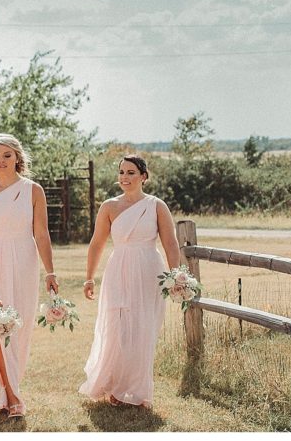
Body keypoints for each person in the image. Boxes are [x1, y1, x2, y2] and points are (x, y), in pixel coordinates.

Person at [79, 155, 181, 408]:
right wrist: (89, 278)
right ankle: (116, 385)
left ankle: (136, 390)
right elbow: (97, 243)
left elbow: (170, 243)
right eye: (122, 172)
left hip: (149, 270)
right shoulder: (109, 207)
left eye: (131, 172)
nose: (124, 177)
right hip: (119, 269)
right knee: (118, 327)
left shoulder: (157, 206)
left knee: (144, 329)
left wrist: (176, 276)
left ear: (144, 177)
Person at [0, 133, 57, 418]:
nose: (1, 161)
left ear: (17, 157)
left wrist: (50, 271)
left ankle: (8, 391)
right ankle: (9, 396)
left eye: (7, 155)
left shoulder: (33, 190)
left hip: (23, 261)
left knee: (18, 329)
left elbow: (41, 233)